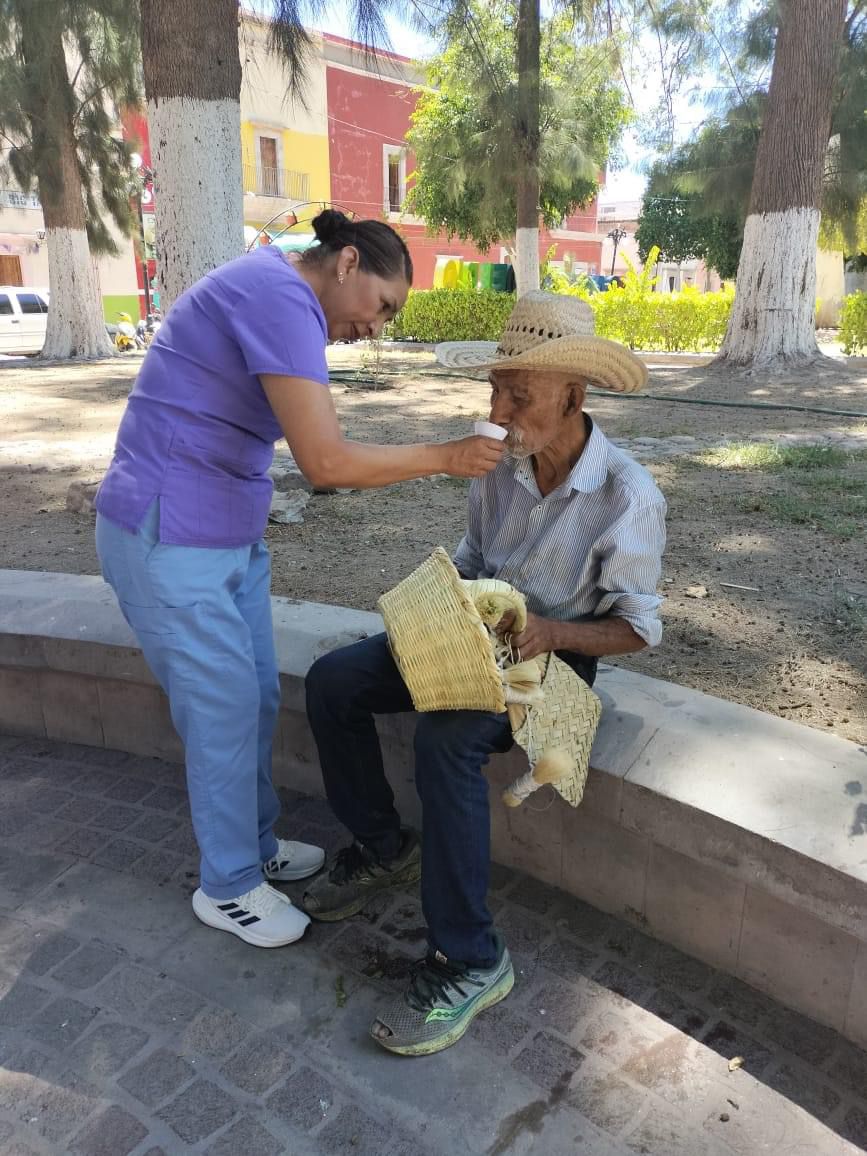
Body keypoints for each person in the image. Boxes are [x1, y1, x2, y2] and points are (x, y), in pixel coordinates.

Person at [94, 210, 505, 950]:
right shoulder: (278, 296)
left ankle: (251, 847)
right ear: (346, 262)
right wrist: (445, 456)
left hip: (219, 534)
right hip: (167, 532)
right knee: (220, 713)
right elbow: (326, 463)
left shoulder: (275, 297)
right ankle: (227, 886)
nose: (375, 329)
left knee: (249, 695)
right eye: (381, 307)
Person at [303, 291, 666, 1054]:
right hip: (472, 636)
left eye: (518, 395)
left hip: (555, 663)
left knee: (445, 742)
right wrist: (443, 599)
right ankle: (383, 849)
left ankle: (470, 958)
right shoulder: (496, 463)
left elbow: (636, 628)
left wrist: (549, 632)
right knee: (334, 681)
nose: (497, 410)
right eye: (494, 390)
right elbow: (472, 561)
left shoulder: (626, 494)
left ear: (573, 395)